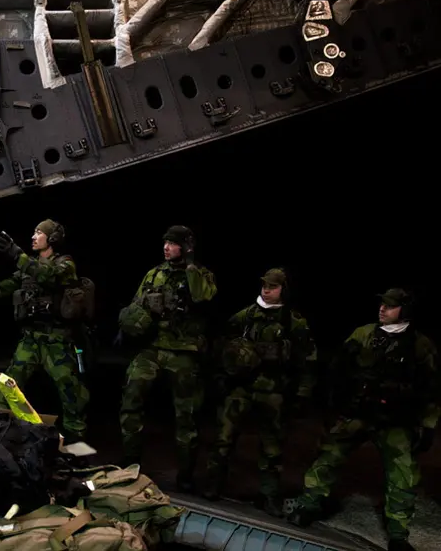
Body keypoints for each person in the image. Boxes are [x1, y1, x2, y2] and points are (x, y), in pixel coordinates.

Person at [287, 289, 437, 551]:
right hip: (357, 413)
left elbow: (432, 388)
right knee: (327, 457)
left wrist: (428, 424)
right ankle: (309, 504)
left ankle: (398, 533)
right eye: (382, 304)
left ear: (405, 310)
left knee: (402, 476)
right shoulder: (364, 333)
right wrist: (331, 403)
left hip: (395, 421)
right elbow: (338, 368)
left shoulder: (420, 345)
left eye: (390, 306)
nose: (382, 309)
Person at [203, 268, 316, 516]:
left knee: (272, 447)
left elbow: (307, 360)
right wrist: (222, 376)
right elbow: (222, 347)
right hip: (241, 388)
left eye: (273, 286)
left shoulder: (293, 322)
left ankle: (269, 495)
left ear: (283, 289)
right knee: (224, 438)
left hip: (273, 391)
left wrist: (302, 394)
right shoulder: (245, 316)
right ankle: (213, 484)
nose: (266, 289)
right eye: (265, 285)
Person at [117, 225, 217, 491]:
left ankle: (185, 476)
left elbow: (202, 296)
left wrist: (192, 266)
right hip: (152, 348)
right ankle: (129, 464)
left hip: (183, 351)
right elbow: (137, 303)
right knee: (131, 398)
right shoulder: (155, 274)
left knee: (187, 416)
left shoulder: (201, 274)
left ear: (185, 247)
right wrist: (127, 325)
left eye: (173, 243)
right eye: (165, 242)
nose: (166, 247)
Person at [0, 219, 90, 442]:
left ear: (53, 238)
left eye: (39, 232)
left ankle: (77, 445)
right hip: (31, 340)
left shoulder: (65, 264)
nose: (33, 237)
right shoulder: (27, 268)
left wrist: (15, 254)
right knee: (7, 385)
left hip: (57, 341)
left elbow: (48, 277)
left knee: (71, 394)